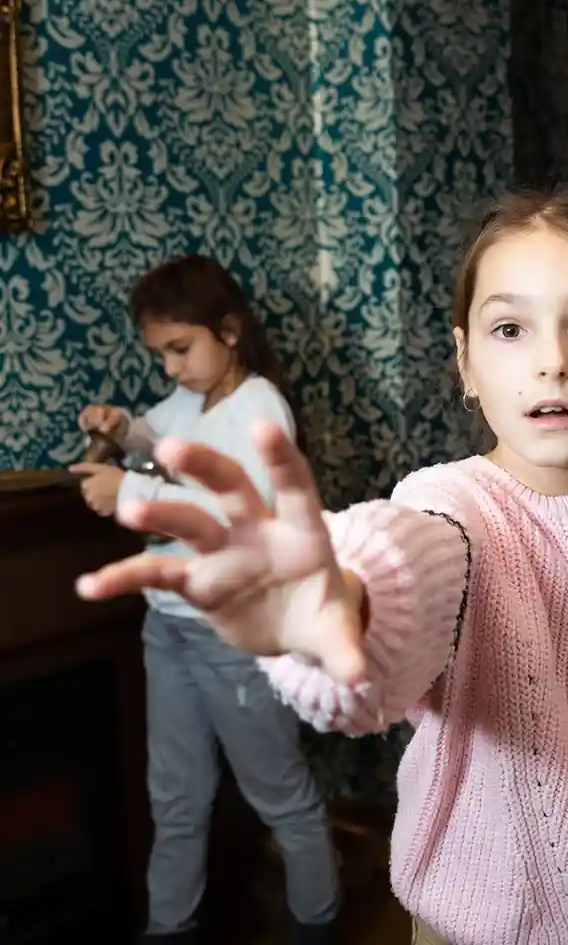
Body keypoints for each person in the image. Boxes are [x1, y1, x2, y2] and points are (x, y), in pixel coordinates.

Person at [74, 188, 568, 945]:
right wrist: (338, 607)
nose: (553, 362)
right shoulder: (452, 505)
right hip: (496, 926)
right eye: (510, 328)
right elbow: (399, 586)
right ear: (466, 361)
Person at [71, 255, 339, 945]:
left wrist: (126, 494)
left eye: (180, 349)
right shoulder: (192, 402)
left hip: (234, 632)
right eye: (160, 353)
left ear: (229, 330)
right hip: (170, 627)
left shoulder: (260, 410)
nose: (171, 367)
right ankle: (171, 928)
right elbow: (161, 441)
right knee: (176, 796)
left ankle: (318, 926)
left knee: (278, 794)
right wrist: (123, 428)